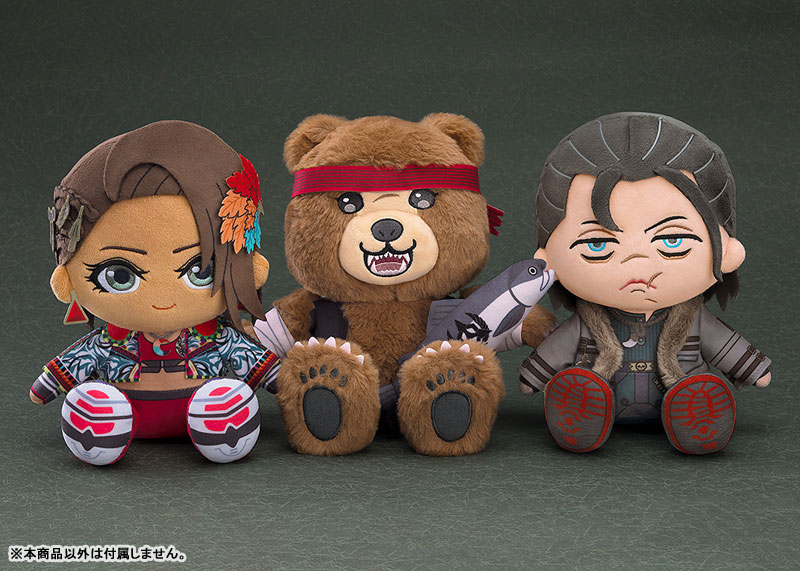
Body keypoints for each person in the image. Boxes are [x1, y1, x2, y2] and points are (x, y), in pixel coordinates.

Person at [518, 112, 771, 454]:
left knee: (694, 391)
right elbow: (556, 350)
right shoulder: (587, 321)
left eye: (672, 240)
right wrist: (534, 376)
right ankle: (581, 408)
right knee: (583, 387)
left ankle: (697, 415)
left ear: (727, 251)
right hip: (598, 394)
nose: (635, 263)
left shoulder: (695, 319)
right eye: (598, 244)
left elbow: (723, 344)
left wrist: (752, 369)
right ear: (548, 259)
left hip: (681, 393)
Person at [30, 120, 279, 465]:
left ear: (251, 269)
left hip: (201, 400)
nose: (163, 300)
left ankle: (220, 418)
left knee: (223, 400)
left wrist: (281, 380)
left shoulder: (219, 338)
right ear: (66, 281)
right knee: (98, 403)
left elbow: (261, 367)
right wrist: (49, 384)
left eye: (201, 271)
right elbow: (78, 361)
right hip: (128, 409)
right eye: (119, 276)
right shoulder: (109, 342)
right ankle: (101, 420)